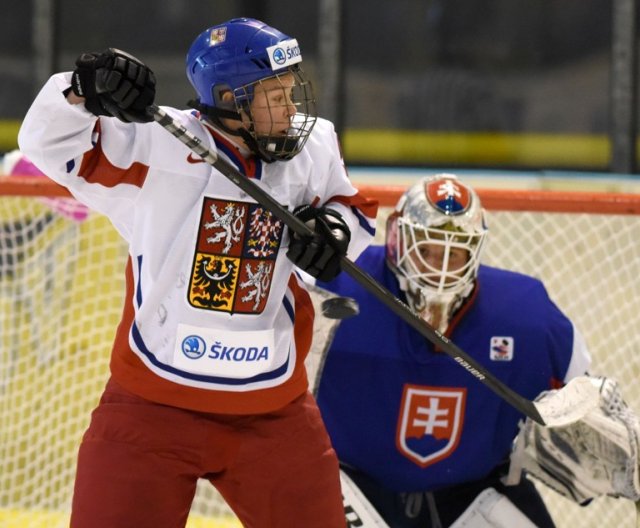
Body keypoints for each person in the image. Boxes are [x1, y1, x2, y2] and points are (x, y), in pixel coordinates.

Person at [18, 17, 377, 528]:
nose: (292, 107)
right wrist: (80, 89)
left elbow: (350, 206)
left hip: (272, 409)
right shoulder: (152, 142)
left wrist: (335, 236)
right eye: (275, 95)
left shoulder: (314, 147)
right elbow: (49, 146)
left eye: (291, 90)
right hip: (151, 407)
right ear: (230, 97)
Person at [315, 174, 591, 528]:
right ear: (398, 240)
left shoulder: (528, 317)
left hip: (472, 490)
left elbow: (585, 399)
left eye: (454, 251)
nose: (440, 267)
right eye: (427, 249)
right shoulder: (333, 287)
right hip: (350, 481)